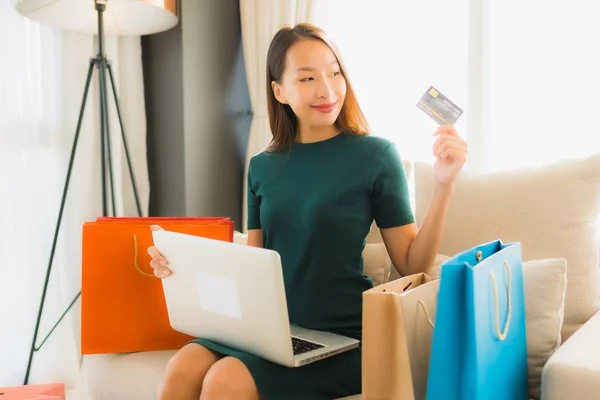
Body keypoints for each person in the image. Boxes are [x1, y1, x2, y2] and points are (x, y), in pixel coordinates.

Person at [147, 22, 468, 400]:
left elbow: (413, 265)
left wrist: (444, 185)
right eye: (307, 78)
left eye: (334, 72)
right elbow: (255, 266)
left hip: (345, 338)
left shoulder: (376, 156)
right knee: (182, 365)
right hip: (272, 332)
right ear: (278, 91)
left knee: (225, 380)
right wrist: (180, 270)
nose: (327, 89)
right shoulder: (262, 166)